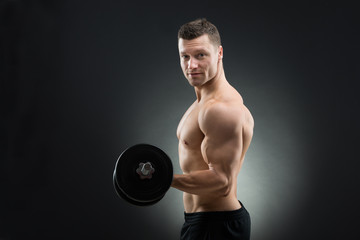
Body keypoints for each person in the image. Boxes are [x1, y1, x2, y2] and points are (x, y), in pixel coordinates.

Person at [170, 18, 254, 240]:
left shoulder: (220, 109)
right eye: (185, 56)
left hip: (217, 226)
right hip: (200, 222)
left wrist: (165, 179)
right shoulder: (201, 102)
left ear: (219, 53)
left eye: (200, 55)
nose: (191, 65)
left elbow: (222, 182)